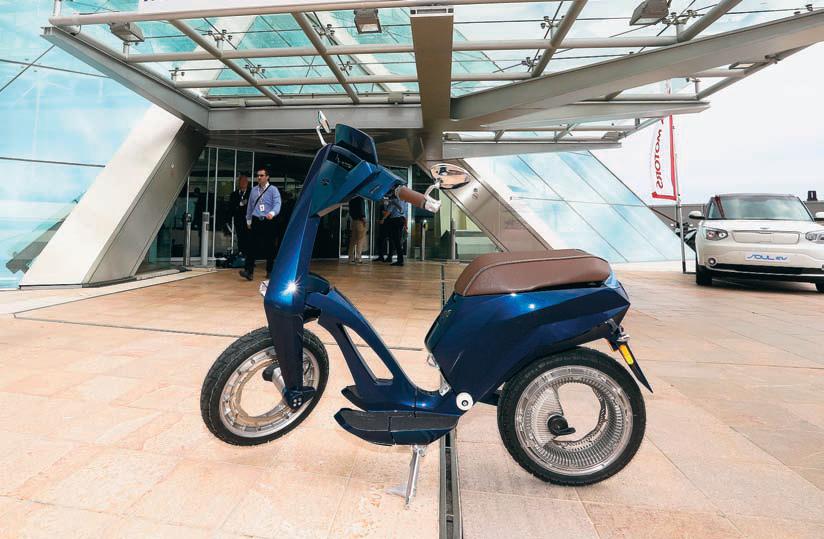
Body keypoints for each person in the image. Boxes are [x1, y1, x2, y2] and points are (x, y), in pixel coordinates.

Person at [239, 168, 281, 281]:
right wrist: (248, 220)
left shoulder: (273, 190)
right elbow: (250, 206)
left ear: (267, 177)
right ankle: (249, 271)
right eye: (258, 175)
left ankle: (270, 271)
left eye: (262, 175)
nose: (259, 177)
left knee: (270, 246)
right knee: (251, 246)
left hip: (268, 220)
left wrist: (272, 213)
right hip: (256, 219)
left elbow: (277, 204)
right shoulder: (254, 190)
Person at [229, 175, 251, 259]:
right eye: (241, 181)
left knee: (249, 238)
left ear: (247, 183)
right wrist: (240, 204)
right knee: (240, 238)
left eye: (245, 181)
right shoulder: (234, 194)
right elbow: (231, 207)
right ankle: (241, 254)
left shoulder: (251, 193)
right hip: (238, 220)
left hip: (249, 221)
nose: (243, 183)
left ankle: (249, 257)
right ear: (238, 183)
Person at [383, 193, 407, 266]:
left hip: (395, 220)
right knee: (398, 241)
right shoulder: (404, 202)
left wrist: (383, 219)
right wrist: (405, 224)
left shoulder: (394, 201)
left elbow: (388, 211)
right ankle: (399, 259)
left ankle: (400, 260)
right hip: (401, 220)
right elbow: (405, 213)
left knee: (395, 241)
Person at [348, 196, 367, 264]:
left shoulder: (351, 200)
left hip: (353, 221)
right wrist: (364, 221)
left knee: (353, 241)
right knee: (360, 240)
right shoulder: (360, 199)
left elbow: (350, 212)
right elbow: (361, 211)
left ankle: (350, 258)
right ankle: (358, 258)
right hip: (360, 221)